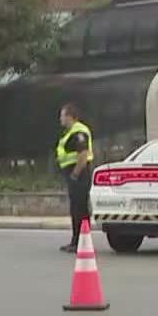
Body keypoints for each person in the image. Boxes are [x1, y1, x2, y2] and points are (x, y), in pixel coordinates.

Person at [56, 102, 94, 253]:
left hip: (79, 174)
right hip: (75, 173)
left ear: (69, 116)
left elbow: (83, 156)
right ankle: (77, 240)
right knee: (76, 208)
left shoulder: (79, 132)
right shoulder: (70, 132)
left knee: (80, 209)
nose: (60, 119)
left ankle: (81, 241)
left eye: (62, 115)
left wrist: (74, 175)